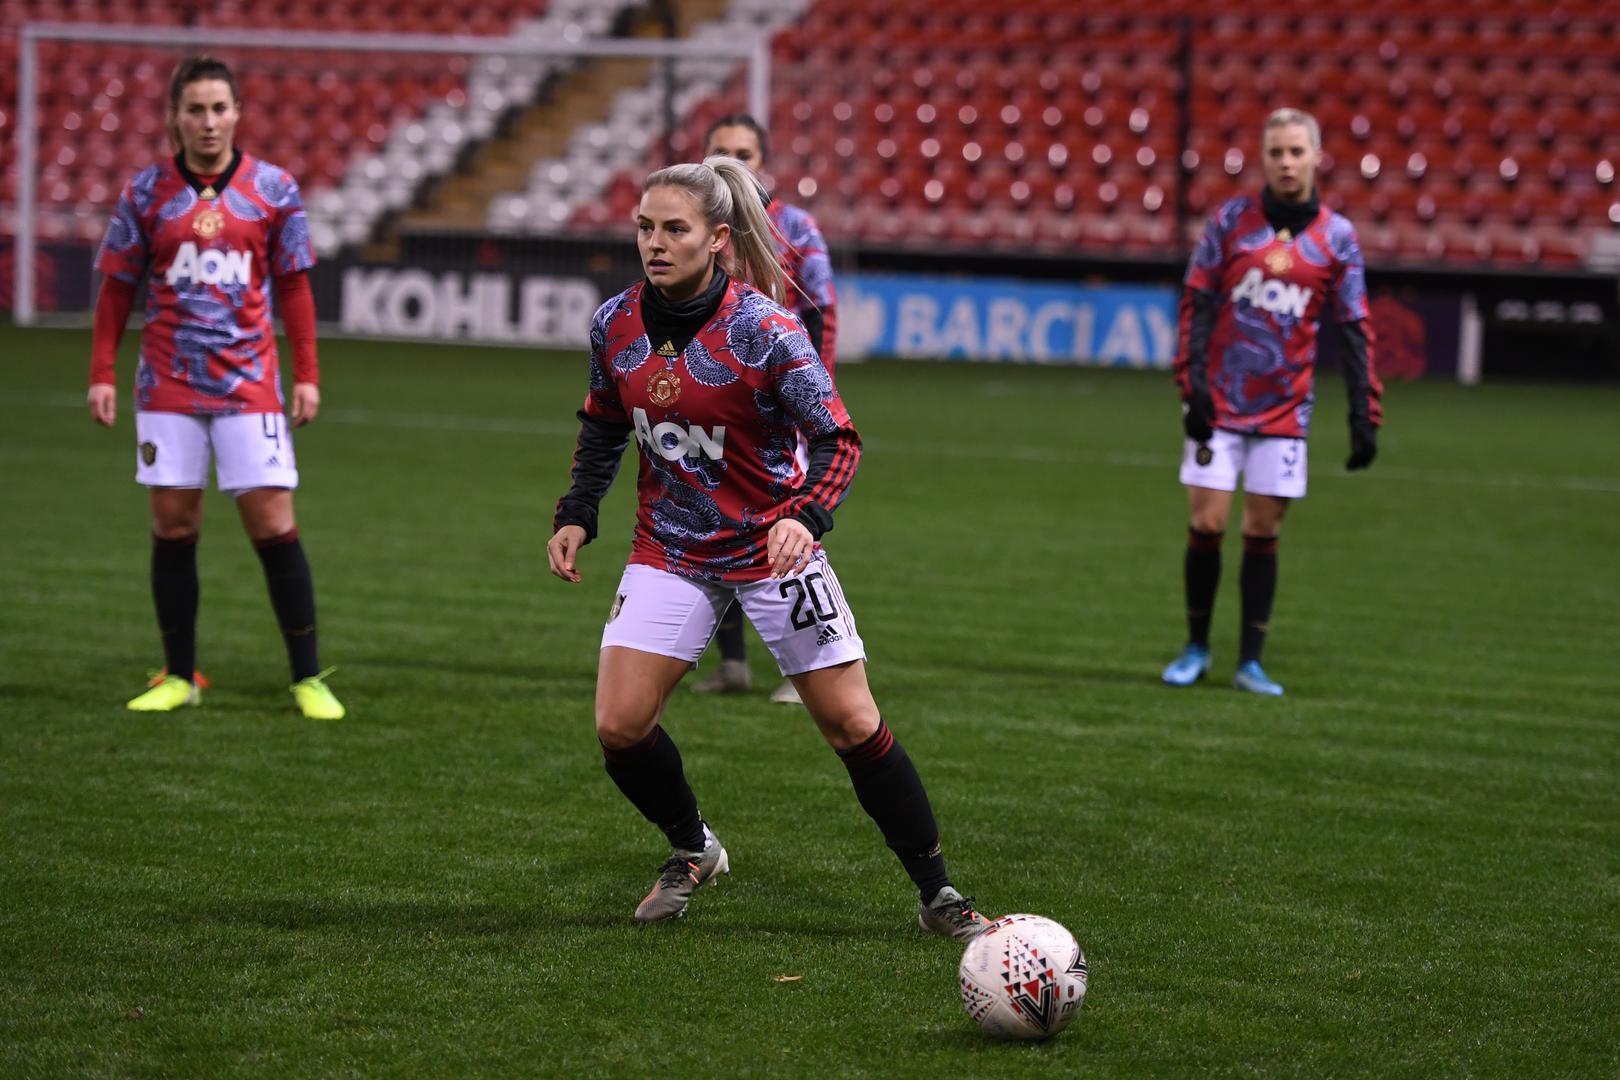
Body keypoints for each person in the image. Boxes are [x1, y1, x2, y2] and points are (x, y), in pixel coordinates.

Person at [545, 156, 986, 938]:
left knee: (852, 725)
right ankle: (693, 848)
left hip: (773, 550)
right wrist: (578, 510)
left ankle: (938, 894)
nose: (654, 243)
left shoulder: (766, 329)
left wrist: (805, 516)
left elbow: (838, 440)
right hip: (671, 547)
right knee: (618, 725)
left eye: (673, 229)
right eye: (645, 227)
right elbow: (604, 422)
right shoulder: (613, 322)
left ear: (718, 239)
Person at [87, 56, 344, 720]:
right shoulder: (146, 191)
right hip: (166, 383)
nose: (208, 121)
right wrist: (101, 373)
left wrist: (308, 375)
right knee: (173, 524)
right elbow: (117, 287)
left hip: (248, 385)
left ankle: (308, 678)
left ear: (237, 113)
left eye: (219, 108)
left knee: (272, 522)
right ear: (175, 115)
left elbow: (293, 286)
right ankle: (178, 674)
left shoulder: (274, 189)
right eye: (195, 109)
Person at [1162, 107, 1383, 696]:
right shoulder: (1231, 221)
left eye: (1296, 152)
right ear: (1264, 159)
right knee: (1206, 521)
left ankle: (1250, 661)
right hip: (1220, 405)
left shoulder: (1338, 238)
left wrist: (1364, 411)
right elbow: (1196, 301)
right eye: (1276, 153)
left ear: (1316, 157)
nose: (1287, 162)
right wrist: (1194, 385)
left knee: (1262, 529)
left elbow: (1355, 326)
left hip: (1286, 412)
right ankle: (1196, 647)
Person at [690, 113, 839, 705]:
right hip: (710, 408)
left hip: (781, 408)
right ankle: (732, 666)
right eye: (720, 151)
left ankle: (809, 670)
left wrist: (812, 401)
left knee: (790, 525)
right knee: (708, 518)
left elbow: (820, 312)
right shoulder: (691, 226)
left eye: (743, 152)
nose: (732, 160)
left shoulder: (796, 229)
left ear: (762, 162)